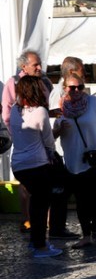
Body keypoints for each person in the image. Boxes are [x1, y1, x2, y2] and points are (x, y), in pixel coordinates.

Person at [52, 73, 96, 249]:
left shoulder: (94, 103)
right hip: (72, 159)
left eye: (80, 87)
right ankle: (86, 235)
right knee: (80, 199)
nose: (77, 91)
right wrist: (58, 129)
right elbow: (52, 135)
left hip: (95, 156)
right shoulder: (60, 107)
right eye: (72, 87)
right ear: (65, 88)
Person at [9, 75, 62, 258]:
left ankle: (35, 241)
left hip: (18, 164)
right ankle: (40, 246)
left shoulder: (15, 110)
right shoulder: (40, 111)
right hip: (37, 164)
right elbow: (47, 140)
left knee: (35, 203)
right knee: (41, 205)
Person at [3, 50, 55, 235]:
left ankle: (44, 222)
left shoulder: (45, 81)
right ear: (23, 66)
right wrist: (18, 135)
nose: (40, 67)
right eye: (36, 65)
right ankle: (27, 221)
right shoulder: (14, 82)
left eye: (40, 64)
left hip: (38, 138)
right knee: (30, 188)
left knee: (42, 189)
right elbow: (7, 113)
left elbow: (46, 109)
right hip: (26, 141)